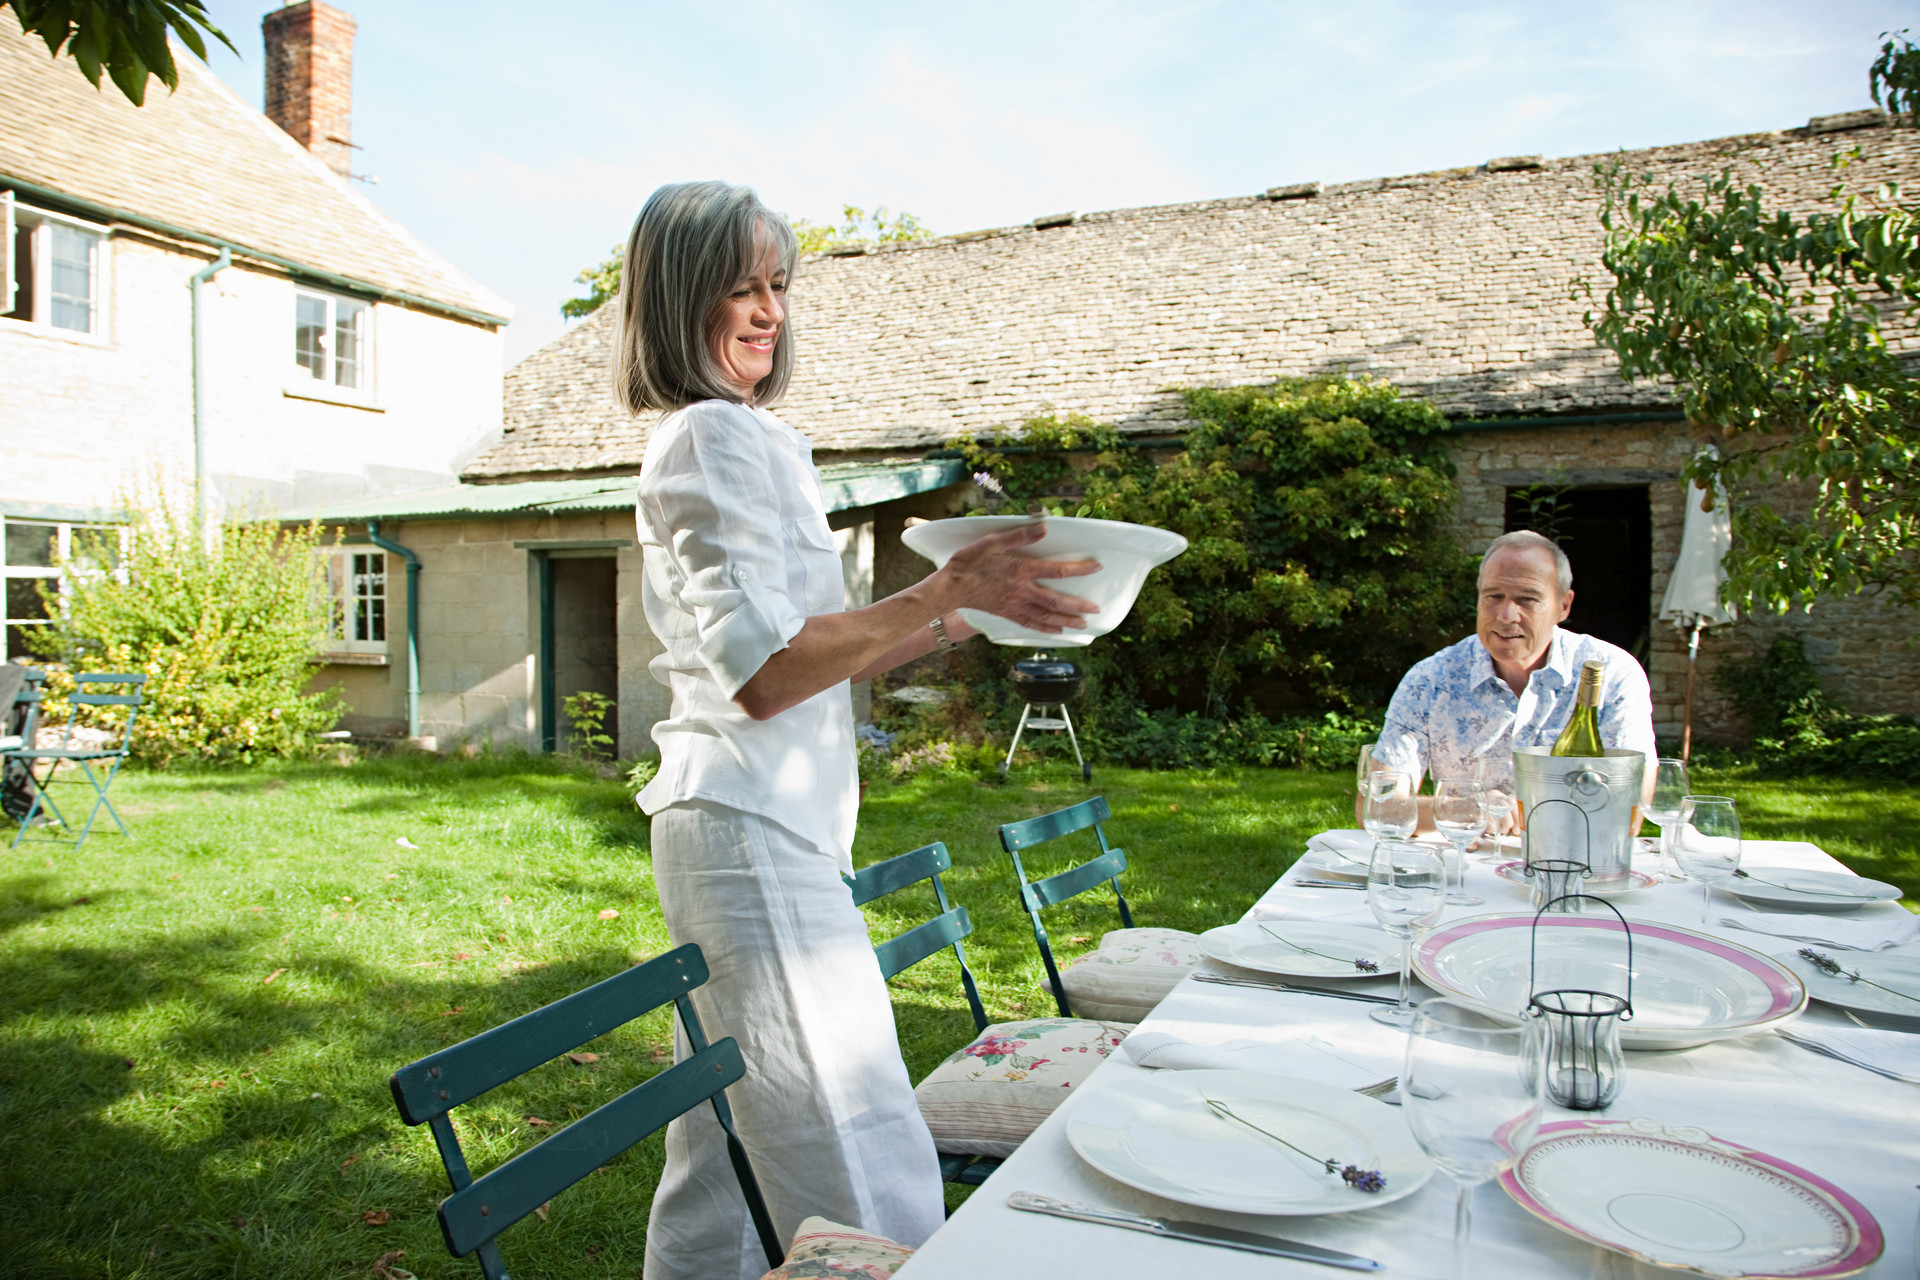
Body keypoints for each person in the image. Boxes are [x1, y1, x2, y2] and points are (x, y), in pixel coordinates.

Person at [620, 181, 1100, 1280]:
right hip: (748, 827)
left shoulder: (752, 438)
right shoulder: (704, 438)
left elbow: (809, 653)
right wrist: (936, 595)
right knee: (859, 1151)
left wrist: (967, 611)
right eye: (737, 286)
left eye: (777, 284)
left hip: (766, 824)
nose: (766, 309)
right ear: (679, 299)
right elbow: (763, 673)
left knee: (725, 1162)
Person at [1369, 530, 1656, 827]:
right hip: (1464, 865)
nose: (1506, 615)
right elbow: (1378, 806)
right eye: (1494, 596)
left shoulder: (1610, 674)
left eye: (1527, 600)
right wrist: (1465, 810)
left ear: (1564, 606)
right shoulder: (1430, 679)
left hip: (1576, 865)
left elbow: (1629, 808)